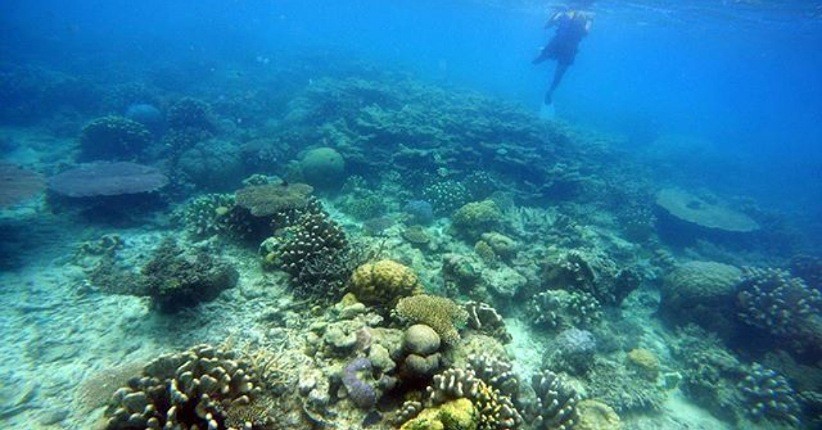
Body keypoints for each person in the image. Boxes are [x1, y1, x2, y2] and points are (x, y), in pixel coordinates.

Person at [532, 1, 594, 108]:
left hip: (559, 44)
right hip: (568, 47)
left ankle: (549, 91)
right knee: (556, 72)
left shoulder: (567, 12)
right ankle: (550, 92)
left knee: (542, 63)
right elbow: (585, 34)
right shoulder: (585, 15)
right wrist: (589, 21)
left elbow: (546, 26)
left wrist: (557, 14)